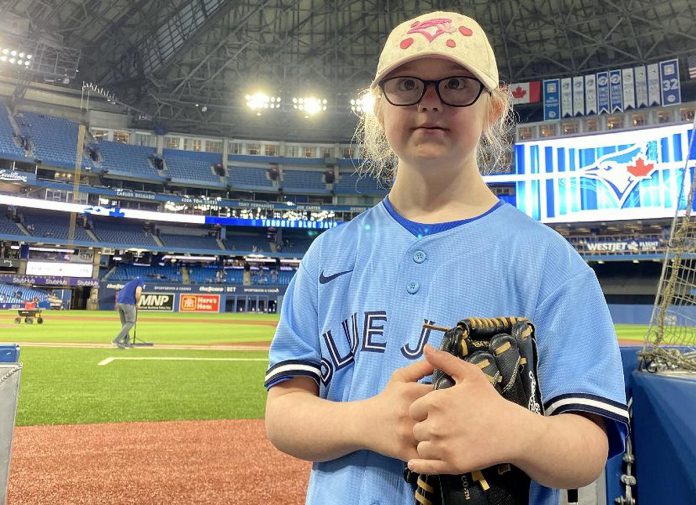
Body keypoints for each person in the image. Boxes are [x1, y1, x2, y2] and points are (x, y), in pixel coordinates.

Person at [264, 10, 628, 505]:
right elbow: (283, 413)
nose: (429, 104)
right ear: (378, 107)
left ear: (493, 109)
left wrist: (514, 431)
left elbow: (587, 449)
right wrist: (366, 421)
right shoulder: (330, 252)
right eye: (407, 85)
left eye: (456, 85)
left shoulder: (550, 262)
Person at [112, 276, 144, 349]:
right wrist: (137, 303)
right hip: (128, 302)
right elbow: (138, 293)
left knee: (124, 323)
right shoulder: (140, 281)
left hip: (120, 303)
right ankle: (116, 340)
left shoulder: (129, 283)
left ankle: (126, 342)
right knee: (131, 322)